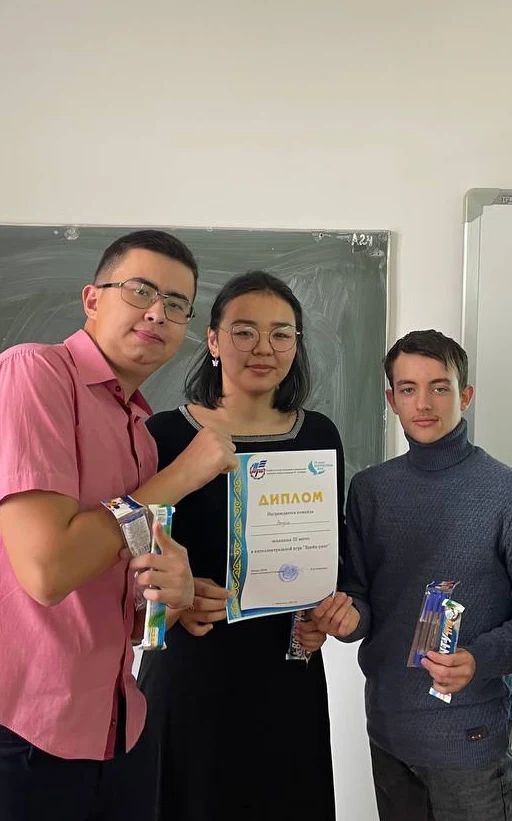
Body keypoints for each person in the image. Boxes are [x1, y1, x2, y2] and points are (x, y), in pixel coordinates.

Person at [0, 230, 238, 821]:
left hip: (118, 726)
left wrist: (173, 596)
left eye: (177, 304)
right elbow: (48, 571)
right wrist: (181, 477)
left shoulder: (138, 432)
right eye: (140, 291)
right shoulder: (34, 372)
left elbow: (125, 617)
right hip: (25, 731)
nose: (158, 313)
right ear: (92, 299)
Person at [313, 329, 512, 821]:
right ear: (391, 399)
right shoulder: (369, 491)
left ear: (465, 395)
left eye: (439, 387)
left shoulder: (509, 493)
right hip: (388, 732)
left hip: (470, 740)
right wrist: (347, 619)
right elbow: (361, 596)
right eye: (408, 389)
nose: (423, 403)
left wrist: (480, 658)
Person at [136, 271, 345, 821]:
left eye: (281, 334)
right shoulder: (164, 434)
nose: (264, 348)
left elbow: (327, 551)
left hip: (286, 672)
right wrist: (173, 603)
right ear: (213, 340)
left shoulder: (319, 436)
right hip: (191, 667)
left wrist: (321, 613)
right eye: (245, 331)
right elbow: (127, 549)